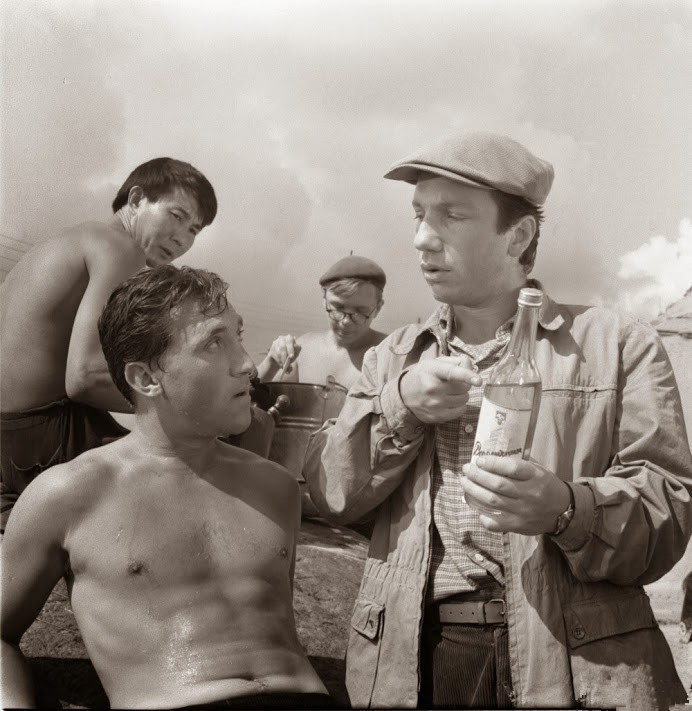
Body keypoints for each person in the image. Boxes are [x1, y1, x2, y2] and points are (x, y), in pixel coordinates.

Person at [305, 131, 692, 709]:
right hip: (417, 663)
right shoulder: (391, 360)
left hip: (577, 664)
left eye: (451, 215)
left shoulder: (617, 345)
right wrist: (401, 407)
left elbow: (669, 513)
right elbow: (331, 494)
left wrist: (566, 509)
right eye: (418, 214)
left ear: (519, 235)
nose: (422, 238)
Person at [1, 265, 332, 710]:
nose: (248, 365)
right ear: (145, 379)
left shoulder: (276, 486)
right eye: (214, 343)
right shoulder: (68, 495)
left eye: (238, 336)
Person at [0, 157, 217, 531]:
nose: (182, 237)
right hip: (44, 440)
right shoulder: (119, 247)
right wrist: (189, 407)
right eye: (177, 215)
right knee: (206, 468)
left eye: (194, 230)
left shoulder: (59, 244)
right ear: (136, 199)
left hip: (8, 444)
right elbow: (85, 377)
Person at [256, 255, 387, 391]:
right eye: (338, 307)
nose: (346, 321)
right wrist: (271, 363)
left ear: (377, 308)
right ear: (324, 299)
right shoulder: (305, 349)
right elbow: (252, 395)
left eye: (360, 311)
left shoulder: (390, 356)